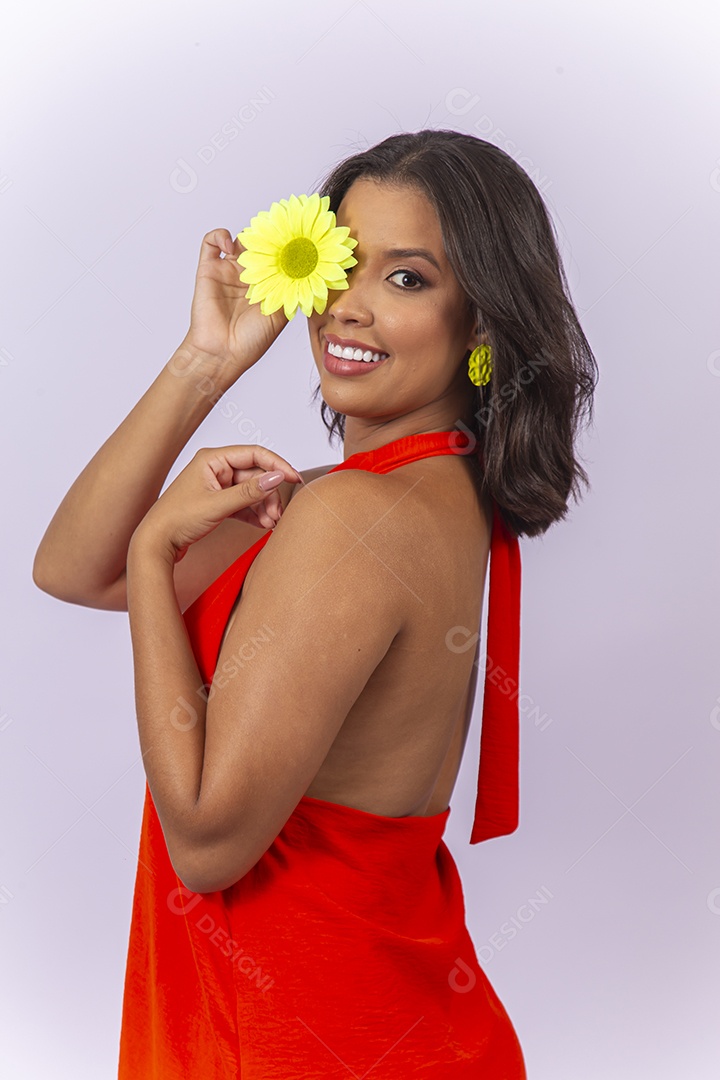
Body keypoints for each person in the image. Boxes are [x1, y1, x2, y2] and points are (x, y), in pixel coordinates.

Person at [33, 129, 598, 1078]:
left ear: (482, 326)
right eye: (342, 263)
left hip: (302, 1040)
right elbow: (70, 567)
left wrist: (154, 551)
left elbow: (206, 842)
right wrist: (206, 360)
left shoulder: (353, 520)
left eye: (407, 278)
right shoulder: (416, 497)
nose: (349, 305)